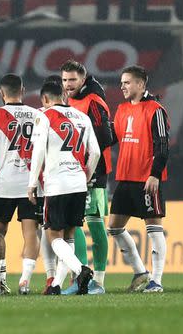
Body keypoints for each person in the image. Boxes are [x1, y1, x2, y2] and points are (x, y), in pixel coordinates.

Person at [28, 80, 98, 295]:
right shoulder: (82, 117)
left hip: (57, 184)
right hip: (78, 183)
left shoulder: (45, 116)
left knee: (53, 235)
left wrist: (31, 184)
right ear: (64, 96)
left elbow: (38, 150)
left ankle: (80, 270)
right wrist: (86, 175)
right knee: (68, 235)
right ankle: (56, 285)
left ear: (45, 99)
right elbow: (94, 153)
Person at [107, 65, 170, 293]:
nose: (123, 86)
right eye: (122, 82)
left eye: (127, 82)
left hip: (146, 178)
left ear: (141, 84)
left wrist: (155, 174)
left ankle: (157, 280)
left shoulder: (155, 110)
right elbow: (112, 137)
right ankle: (140, 271)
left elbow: (162, 145)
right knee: (114, 227)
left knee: (153, 227)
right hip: (125, 177)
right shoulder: (122, 109)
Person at [0, 74, 42, 295]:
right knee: (31, 232)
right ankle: (25, 281)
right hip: (31, 184)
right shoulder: (37, 115)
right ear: (22, 90)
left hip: (4, 182)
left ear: (1, 94)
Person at [60, 60, 114, 294]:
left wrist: (90, 165)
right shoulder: (70, 100)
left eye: (72, 80)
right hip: (74, 170)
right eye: (64, 80)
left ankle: (98, 281)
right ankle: (81, 278)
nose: (68, 84)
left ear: (83, 79)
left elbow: (105, 136)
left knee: (93, 223)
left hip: (94, 170)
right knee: (75, 223)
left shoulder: (94, 102)